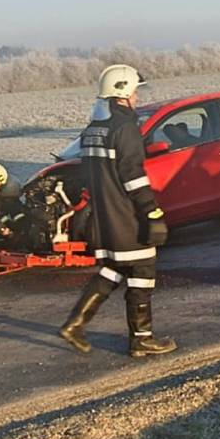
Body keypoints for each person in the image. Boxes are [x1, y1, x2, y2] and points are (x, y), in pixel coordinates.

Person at [58, 65, 175, 357]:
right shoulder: (125, 128)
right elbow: (133, 176)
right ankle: (142, 339)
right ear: (122, 93)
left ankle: (75, 324)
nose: (137, 97)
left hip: (103, 217)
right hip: (126, 216)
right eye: (134, 92)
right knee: (143, 271)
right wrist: (151, 213)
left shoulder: (92, 130)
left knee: (114, 268)